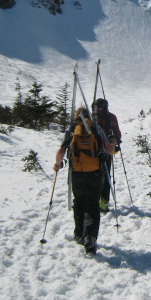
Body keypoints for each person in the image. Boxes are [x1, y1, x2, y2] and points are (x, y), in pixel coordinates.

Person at [54, 107, 103, 255]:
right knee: (92, 205)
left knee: (79, 201)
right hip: (95, 173)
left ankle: (79, 234)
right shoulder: (95, 129)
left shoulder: (72, 130)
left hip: (77, 173)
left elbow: (61, 151)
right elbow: (107, 148)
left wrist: (57, 165)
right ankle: (90, 238)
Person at [93, 98, 122, 214]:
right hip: (107, 151)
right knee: (106, 177)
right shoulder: (111, 117)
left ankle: (95, 201)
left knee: (94, 176)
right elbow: (118, 133)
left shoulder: (91, 117)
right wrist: (114, 142)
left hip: (92, 152)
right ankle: (103, 203)